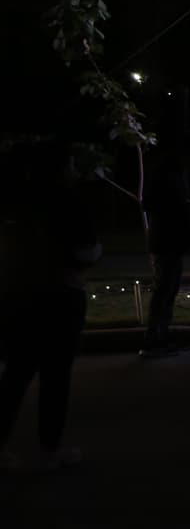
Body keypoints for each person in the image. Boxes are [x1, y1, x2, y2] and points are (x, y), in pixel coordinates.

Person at [0, 141, 102, 471]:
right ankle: (49, 448)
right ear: (61, 169)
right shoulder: (69, 202)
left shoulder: (17, 202)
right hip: (61, 295)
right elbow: (86, 250)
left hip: (19, 294)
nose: (74, 170)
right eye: (70, 164)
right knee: (56, 375)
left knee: (16, 372)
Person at [139, 129, 190, 358]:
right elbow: (152, 203)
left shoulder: (174, 171)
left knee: (167, 291)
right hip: (166, 241)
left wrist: (183, 204)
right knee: (164, 291)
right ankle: (154, 340)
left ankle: (161, 337)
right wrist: (181, 207)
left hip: (170, 240)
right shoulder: (167, 172)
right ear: (188, 153)